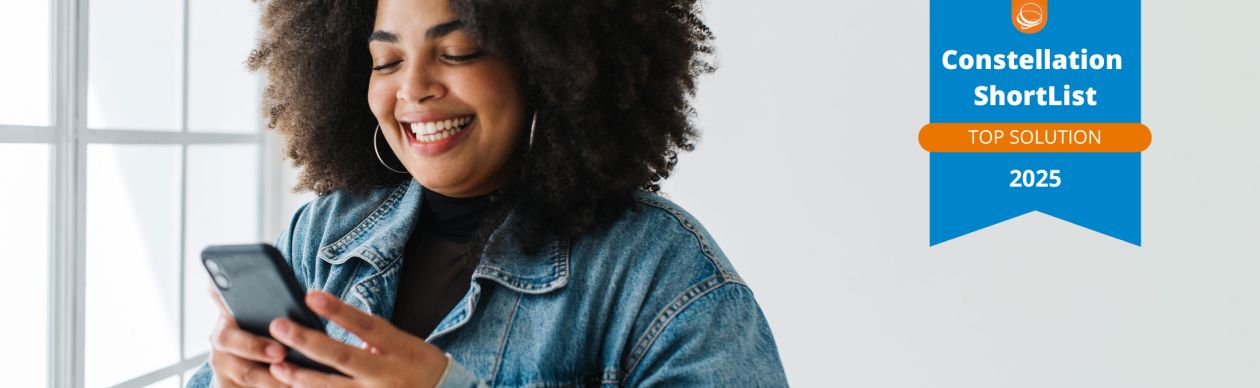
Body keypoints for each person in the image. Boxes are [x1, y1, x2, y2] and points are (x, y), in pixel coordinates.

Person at [186, 0, 787, 386]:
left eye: (457, 52)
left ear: (547, 67)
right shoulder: (321, 235)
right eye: (385, 60)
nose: (413, 89)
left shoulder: (660, 273)